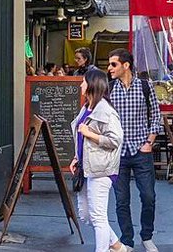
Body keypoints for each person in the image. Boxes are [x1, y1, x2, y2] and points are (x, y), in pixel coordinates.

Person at [107, 49, 161, 252]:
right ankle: (127, 240)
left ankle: (147, 236)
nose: (110, 68)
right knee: (122, 200)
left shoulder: (146, 86)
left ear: (126, 65)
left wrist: (149, 142)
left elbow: (156, 116)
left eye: (113, 64)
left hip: (141, 150)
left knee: (148, 196)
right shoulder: (110, 89)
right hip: (118, 153)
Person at [69, 69, 128, 252]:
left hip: (101, 170)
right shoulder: (86, 108)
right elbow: (81, 140)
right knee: (86, 215)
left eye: (83, 82)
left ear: (92, 85)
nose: (80, 85)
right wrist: (76, 157)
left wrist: (90, 134)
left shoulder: (106, 112)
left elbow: (115, 140)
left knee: (98, 216)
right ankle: (117, 246)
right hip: (85, 168)